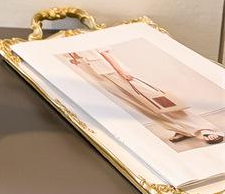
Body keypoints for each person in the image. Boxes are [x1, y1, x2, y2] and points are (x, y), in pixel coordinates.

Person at [67, 48, 223, 145]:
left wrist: (121, 72)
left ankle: (204, 129)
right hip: (98, 76)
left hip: (116, 72)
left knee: (160, 102)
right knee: (140, 107)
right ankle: (181, 130)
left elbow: (104, 52)